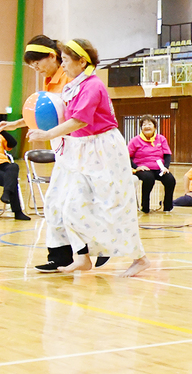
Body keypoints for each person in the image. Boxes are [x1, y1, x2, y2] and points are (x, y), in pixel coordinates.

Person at [28, 39, 149, 277]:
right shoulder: (73, 85)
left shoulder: (94, 86)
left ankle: (140, 258)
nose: (62, 65)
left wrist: (47, 134)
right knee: (70, 205)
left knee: (114, 206)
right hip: (81, 148)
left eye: (65, 60)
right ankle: (82, 257)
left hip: (105, 148)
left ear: (81, 61)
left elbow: (80, 120)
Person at [0, 36, 74, 268]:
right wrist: (15, 124)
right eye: (32, 66)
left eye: (37, 63)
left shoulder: (70, 78)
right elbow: (43, 114)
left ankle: (86, 251)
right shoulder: (49, 82)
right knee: (55, 202)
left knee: (67, 202)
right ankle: (61, 256)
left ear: (52, 56)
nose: (36, 69)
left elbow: (74, 116)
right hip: (61, 148)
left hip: (78, 148)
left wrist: (47, 134)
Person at [127, 116, 176, 214]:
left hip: (159, 168)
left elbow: (167, 154)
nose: (147, 126)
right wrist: (137, 167)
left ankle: (167, 207)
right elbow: (126, 156)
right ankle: (145, 207)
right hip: (143, 168)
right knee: (149, 179)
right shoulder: (135, 140)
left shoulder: (161, 139)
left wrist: (166, 167)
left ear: (154, 127)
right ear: (141, 128)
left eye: (149, 124)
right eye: (144, 125)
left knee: (170, 180)